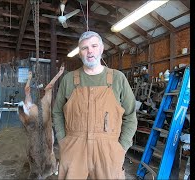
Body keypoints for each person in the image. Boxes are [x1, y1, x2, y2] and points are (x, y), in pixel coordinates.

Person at [52, 31, 137, 179]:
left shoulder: (118, 78)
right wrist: (62, 140)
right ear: (80, 53)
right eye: (84, 48)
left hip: (108, 151)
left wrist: (121, 147)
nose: (89, 51)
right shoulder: (68, 79)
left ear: (101, 49)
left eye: (94, 46)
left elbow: (130, 115)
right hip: (74, 149)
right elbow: (57, 112)